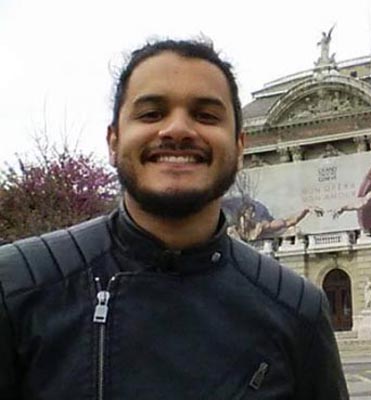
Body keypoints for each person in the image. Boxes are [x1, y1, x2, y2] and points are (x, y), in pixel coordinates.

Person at [0, 38, 348, 399]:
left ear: (240, 147)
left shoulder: (299, 309)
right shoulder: (14, 288)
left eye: (206, 116)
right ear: (113, 141)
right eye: (151, 113)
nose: (178, 129)